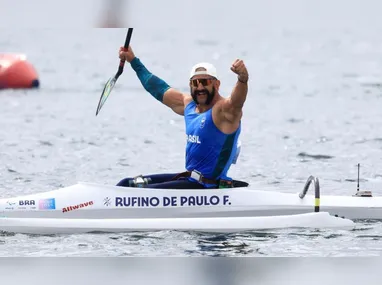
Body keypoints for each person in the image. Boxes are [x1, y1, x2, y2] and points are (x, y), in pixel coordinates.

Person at [116, 45, 249, 189]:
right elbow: (157, 87)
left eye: (205, 82)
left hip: (209, 187)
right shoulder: (189, 106)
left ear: (217, 84)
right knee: (126, 184)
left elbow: (236, 102)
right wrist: (134, 61)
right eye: (195, 83)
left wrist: (242, 79)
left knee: (138, 191)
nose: (200, 88)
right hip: (190, 180)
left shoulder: (223, 111)